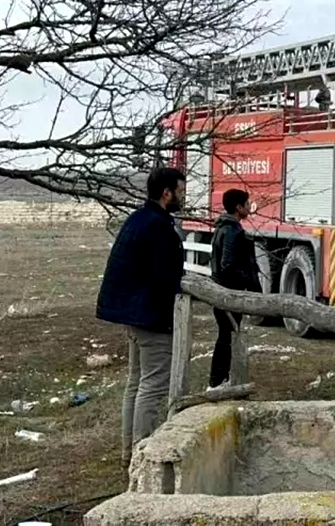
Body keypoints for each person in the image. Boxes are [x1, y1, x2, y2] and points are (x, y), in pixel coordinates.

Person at [95, 166, 186, 463]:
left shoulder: (138, 218)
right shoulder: (158, 227)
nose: (183, 198)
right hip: (151, 317)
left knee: (135, 384)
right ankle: (142, 457)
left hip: (133, 315)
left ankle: (129, 452)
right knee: (152, 386)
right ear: (166, 193)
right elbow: (163, 276)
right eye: (180, 192)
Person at [208, 188, 260, 389]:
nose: (250, 207)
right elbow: (227, 265)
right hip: (229, 293)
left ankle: (220, 379)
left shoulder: (223, 227)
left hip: (222, 291)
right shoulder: (232, 231)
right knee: (228, 337)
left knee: (226, 336)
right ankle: (219, 380)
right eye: (247, 204)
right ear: (239, 207)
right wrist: (246, 279)